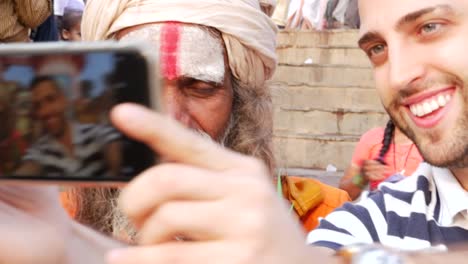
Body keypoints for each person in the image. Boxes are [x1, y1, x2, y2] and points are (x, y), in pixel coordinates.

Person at [61, 0, 349, 236]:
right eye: (142, 87)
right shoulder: (63, 222)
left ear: (241, 103)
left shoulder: (320, 219)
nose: (171, 121)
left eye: (201, 89)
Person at [14, 76, 122, 178]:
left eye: (51, 99)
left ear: (64, 100)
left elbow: (112, 147)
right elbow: (28, 168)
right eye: (38, 106)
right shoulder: (38, 150)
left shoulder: (94, 132)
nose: (45, 111)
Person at [339, 119, 424, 200]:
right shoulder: (372, 138)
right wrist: (362, 177)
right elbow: (346, 194)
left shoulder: (432, 145)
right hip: (377, 212)